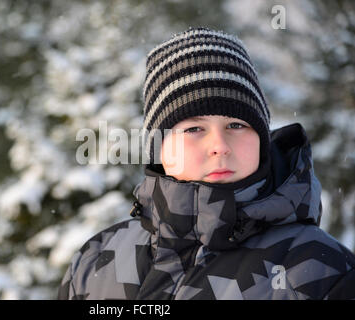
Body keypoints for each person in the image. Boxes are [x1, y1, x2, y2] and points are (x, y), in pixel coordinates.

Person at [58, 27, 355, 300]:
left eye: (236, 125)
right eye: (194, 129)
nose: (220, 147)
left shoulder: (320, 271)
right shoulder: (95, 261)